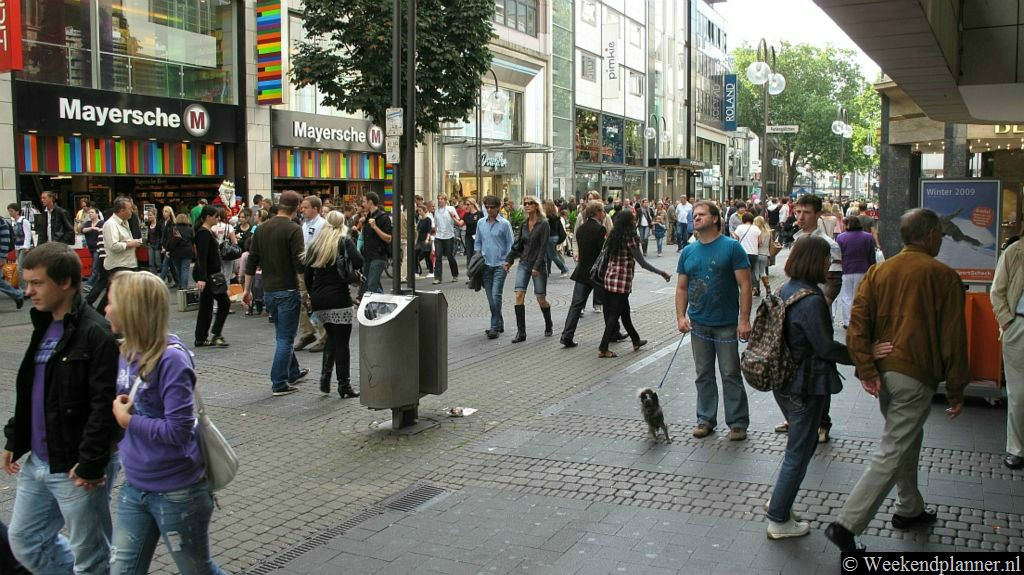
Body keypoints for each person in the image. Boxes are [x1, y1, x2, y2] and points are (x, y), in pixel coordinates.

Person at [826, 208, 969, 553]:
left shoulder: (880, 272)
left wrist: (867, 368)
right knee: (894, 448)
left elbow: (857, 324)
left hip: (887, 373)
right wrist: (956, 388)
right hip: (916, 373)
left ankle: (909, 507)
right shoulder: (943, 276)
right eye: (941, 234)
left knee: (905, 439)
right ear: (931, 234)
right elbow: (953, 338)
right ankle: (847, 524)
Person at [4, 242, 121, 573]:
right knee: (25, 540)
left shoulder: (95, 332)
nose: (28, 292)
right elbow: (33, 390)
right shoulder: (42, 326)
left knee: (92, 554)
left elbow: (104, 404)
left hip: (76, 466)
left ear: (65, 282)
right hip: (40, 460)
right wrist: (15, 437)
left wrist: (90, 462)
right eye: (27, 283)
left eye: (37, 283)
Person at [105, 272, 226, 575]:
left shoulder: (171, 359)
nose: (105, 310)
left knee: (198, 570)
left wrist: (128, 420)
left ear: (132, 309)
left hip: (176, 491)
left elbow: (179, 430)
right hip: (135, 485)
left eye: (111, 303)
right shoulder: (125, 352)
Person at [766, 236, 855, 539]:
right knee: (799, 453)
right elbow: (825, 347)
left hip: (783, 380)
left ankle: (782, 503)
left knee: (798, 448)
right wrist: (861, 357)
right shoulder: (811, 298)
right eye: (826, 260)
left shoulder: (785, 289)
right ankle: (778, 518)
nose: (830, 267)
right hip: (805, 384)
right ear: (814, 262)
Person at [675, 201, 752, 441]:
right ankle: (705, 419)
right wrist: (680, 316)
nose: (695, 218)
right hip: (699, 323)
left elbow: (746, 285)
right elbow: (681, 288)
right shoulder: (688, 251)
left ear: (716, 219)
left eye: (701, 215)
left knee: (730, 372)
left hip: (727, 323)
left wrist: (745, 320)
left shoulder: (731, 248)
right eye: (694, 215)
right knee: (703, 373)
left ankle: (737, 422)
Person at [779, 194, 843, 442]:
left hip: (814, 313)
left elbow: (833, 283)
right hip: (795, 314)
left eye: (806, 212)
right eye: (797, 212)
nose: (801, 217)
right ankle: (795, 416)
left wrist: (814, 308)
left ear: (818, 214)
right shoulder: (796, 239)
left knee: (820, 366)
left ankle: (822, 422)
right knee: (793, 364)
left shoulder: (828, 244)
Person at [243, 190, 309, 396]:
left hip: (269, 289)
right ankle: (279, 382)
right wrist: (307, 291)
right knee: (286, 338)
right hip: (287, 289)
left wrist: (247, 289)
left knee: (282, 333)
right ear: (297, 207)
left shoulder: (261, 228)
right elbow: (300, 264)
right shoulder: (293, 229)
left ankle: (293, 370)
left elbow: (251, 261)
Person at [597, 210, 672, 358]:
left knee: (624, 312)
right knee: (615, 315)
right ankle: (603, 347)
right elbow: (642, 263)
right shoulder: (630, 237)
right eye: (633, 219)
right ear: (630, 222)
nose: (635, 220)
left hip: (609, 278)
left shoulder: (613, 235)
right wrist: (661, 272)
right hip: (622, 281)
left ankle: (635, 340)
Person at [303, 211, 362, 398]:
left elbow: (307, 275)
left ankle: (325, 378)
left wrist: (312, 295)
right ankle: (343, 384)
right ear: (342, 223)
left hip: (320, 297)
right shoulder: (344, 241)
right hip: (339, 297)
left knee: (331, 337)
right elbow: (359, 261)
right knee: (342, 342)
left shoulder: (316, 243)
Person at [991, 229, 1024, 470]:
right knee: (1019, 392)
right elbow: (997, 291)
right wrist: (1007, 322)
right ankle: (1017, 448)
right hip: (1019, 324)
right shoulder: (1015, 251)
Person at [504, 196, 552, 343]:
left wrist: (537, 266)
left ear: (536, 206)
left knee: (541, 299)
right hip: (524, 263)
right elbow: (518, 244)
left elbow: (544, 247)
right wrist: (509, 259)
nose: (527, 206)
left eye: (530, 203)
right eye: (525, 204)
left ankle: (548, 323)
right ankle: (521, 332)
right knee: (519, 295)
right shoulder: (524, 224)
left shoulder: (544, 224)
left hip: (538, 265)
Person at [560, 201, 607, 348]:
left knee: (576, 305)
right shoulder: (600, 229)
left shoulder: (580, 229)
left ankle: (566, 335)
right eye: (602, 211)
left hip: (582, 272)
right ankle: (613, 332)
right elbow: (602, 253)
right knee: (608, 303)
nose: (604, 214)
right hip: (596, 273)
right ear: (597, 212)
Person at [476, 196, 514, 339]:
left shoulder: (504, 224)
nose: (489, 210)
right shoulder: (481, 223)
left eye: (492, 207)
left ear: (498, 208)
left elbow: (511, 244)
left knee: (496, 295)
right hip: (485, 265)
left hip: (500, 264)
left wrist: (508, 262)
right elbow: (478, 242)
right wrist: (477, 256)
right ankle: (500, 322)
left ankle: (494, 327)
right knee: (490, 298)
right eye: (487, 207)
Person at [192, 205, 231, 348]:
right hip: (208, 275)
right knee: (222, 303)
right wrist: (202, 278)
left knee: (207, 306)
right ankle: (213, 334)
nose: (218, 218)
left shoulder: (206, 232)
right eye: (216, 216)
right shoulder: (203, 233)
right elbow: (201, 257)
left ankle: (202, 337)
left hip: (210, 274)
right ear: (208, 217)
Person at [97, 197, 143, 314]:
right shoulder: (111, 224)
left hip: (127, 264)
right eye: (129, 209)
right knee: (112, 296)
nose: (131, 211)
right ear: (121, 210)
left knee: (117, 295)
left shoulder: (125, 222)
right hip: (119, 266)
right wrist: (131, 243)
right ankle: (100, 318)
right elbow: (114, 246)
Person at [295, 195, 327, 353]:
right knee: (299, 300)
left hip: (316, 268)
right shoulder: (304, 225)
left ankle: (323, 337)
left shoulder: (323, 225)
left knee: (318, 302)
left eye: (306, 207)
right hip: (303, 267)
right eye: (302, 207)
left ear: (315, 209)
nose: (302, 210)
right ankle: (308, 331)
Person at [835, 216, 876, 328]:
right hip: (863, 269)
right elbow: (871, 256)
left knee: (846, 296)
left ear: (847, 225)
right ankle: (861, 320)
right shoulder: (868, 237)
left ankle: (848, 321)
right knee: (861, 296)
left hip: (847, 269)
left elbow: (838, 255)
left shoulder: (840, 238)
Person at [360, 192, 393, 294]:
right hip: (368, 257)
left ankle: (373, 309)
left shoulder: (383, 217)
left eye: (364, 202)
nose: (362, 204)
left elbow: (389, 238)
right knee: (367, 284)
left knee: (371, 286)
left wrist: (375, 227)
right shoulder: (367, 217)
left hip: (378, 256)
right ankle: (382, 306)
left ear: (370, 202)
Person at [432, 194, 464, 284]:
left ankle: (455, 274)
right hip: (439, 236)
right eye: (439, 199)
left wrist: (453, 217)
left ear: (446, 200)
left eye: (442, 199)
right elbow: (436, 224)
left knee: (450, 256)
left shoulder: (451, 209)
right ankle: (438, 277)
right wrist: (434, 233)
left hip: (449, 236)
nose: (440, 201)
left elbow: (457, 220)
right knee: (438, 257)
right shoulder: (437, 211)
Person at [733, 212, 762, 297]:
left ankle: (746, 289)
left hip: (743, 252)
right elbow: (760, 242)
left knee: (744, 271)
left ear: (743, 220)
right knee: (754, 271)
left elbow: (735, 239)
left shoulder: (740, 227)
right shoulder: (756, 228)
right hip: (754, 252)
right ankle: (756, 288)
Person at [0, 212, 25, 308]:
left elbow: (5, 241)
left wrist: (2, 258)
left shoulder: (2, 222)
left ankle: (18, 295)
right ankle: (18, 295)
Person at [8, 204, 32, 290]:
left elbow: (28, 234)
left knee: (20, 268)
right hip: (18, 247)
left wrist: (27, 246)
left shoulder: (24, 221)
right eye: (9, 211)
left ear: (17, 211)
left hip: (24, 247)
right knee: (21, 268)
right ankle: (25, 287)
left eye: (12, 211)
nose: (10, 213)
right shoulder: (14, 222)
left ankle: (25, 289)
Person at [543, 199, 570, 277]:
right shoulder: (555, 216)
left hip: (550, 237)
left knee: (552, 255)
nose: (543, 207)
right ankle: (547, 271)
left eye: (544, 206)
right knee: (549, 254)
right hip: (554, 237)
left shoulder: (548, 217)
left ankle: (564, 269)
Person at [81, 208, 103, 287]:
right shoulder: (88, 223)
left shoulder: (101, 223)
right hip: (90, 248)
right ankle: (97, 283)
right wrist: (92, 228)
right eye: (89, 212)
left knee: (95, 267)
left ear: (97, 214)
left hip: (98, 248)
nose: (90, 214)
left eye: (92, 212)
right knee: (96, 266)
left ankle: (89, 284)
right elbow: (82, 230)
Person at [753, 215, 773, 296]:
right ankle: (768, 288)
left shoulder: (757, 232)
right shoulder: (768, 232)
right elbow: (770, 243)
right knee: (762, 272)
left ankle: (756, 289)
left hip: (757, 253)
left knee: (756, 272)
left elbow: (757, 243)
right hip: (765, 254)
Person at [414, 205, 434, 277]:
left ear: (424, 210)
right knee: (415, 255)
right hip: (419, 240)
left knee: (427, 256)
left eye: (420, 211)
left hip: (425, 239)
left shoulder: (428, 220)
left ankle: (431, 271)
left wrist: (427, 239)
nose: (419, 212)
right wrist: (416, 240)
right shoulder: (420, 220)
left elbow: (429, 230)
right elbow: (418, 231)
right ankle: (416, 271)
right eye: (418, 211)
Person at [463, 198, 482, 269]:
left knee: (476, 254)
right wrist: (453, 217)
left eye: (468, 204)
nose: (466, 206)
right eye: (466, 205)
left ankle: (477, 273)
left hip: (478, 236)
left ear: (472, 204)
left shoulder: (480, 214)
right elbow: (460, 223)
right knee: (469, 254)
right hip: (468, 236)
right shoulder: (466, 215)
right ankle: (470, 274)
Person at [145, 209, 161, 275]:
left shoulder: (159, 224)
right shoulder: (148, 224)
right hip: (150, 245)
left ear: (155, 215)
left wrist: (159, 246)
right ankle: (153, 277)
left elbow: (160, 236)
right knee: (151, 263)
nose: (149, 217)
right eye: (148, 215)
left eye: (151, 215)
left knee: (158, 263)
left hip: (157, 245)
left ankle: (167, 273)